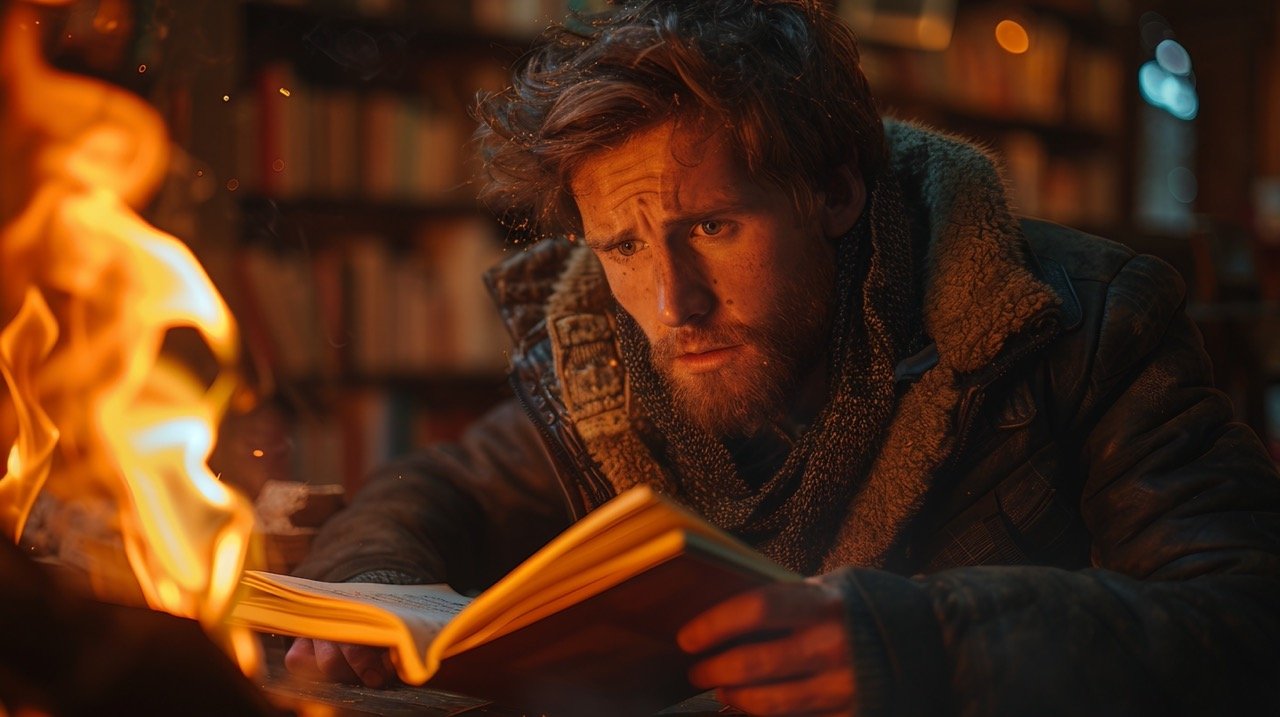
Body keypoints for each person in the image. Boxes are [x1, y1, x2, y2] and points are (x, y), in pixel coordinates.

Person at [286, 1, 1280, 714]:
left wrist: (924, 644)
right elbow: (437, 489)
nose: (671, 304)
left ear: (835, 191)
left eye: (712, 226)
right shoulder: (599, 350)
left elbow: (1245, 615)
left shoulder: (1081, 317)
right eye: (623, 247)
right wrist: (374, 598)